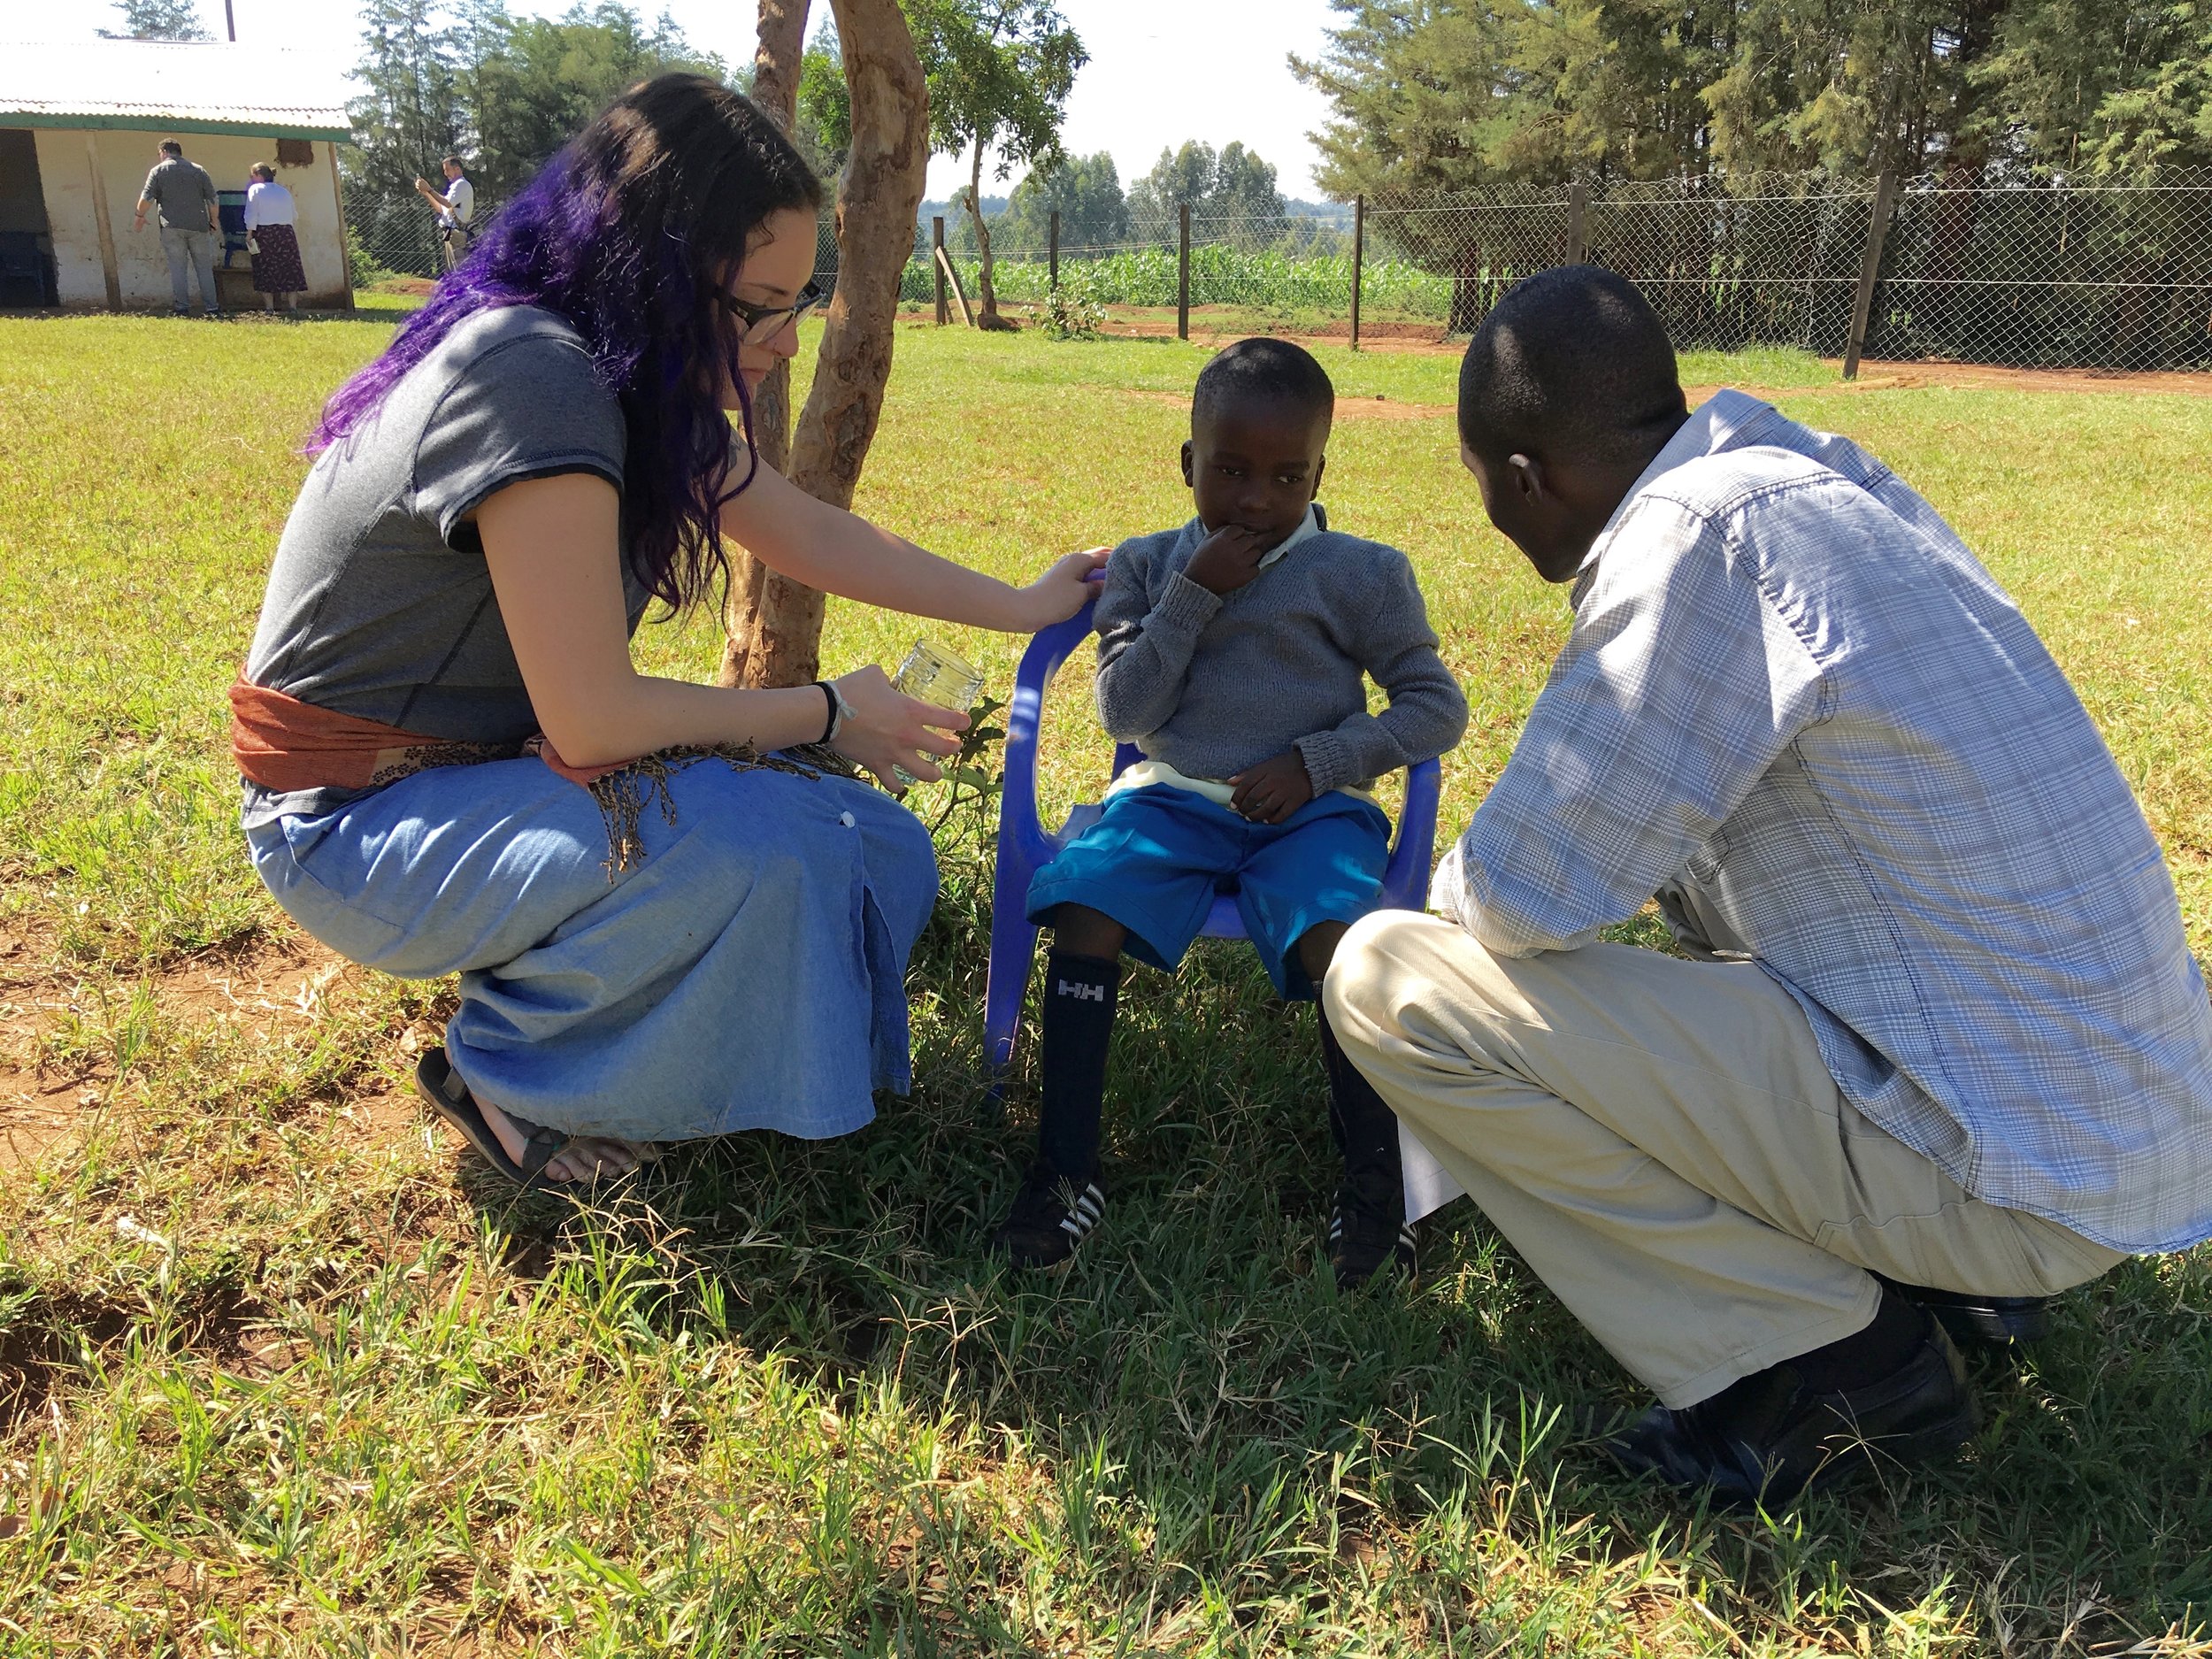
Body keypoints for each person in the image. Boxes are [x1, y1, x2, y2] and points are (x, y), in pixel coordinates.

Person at [1323, 265, 2212, 1506]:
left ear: (1523, 478)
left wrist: (1441, 894)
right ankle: (1938, 1275)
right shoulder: (1819, 478)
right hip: (2115, 1128)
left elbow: (1522, 897)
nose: (1493, 519)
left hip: (2011, 1169)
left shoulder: (1693, 534)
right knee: (1700, 943)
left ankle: (1837, 1358)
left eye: (1483, 490)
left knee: (1388, 979)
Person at [232, 75, 1103, 1189]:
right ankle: (509, 1070)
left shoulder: (631, 383)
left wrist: (1027, 604)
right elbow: (594, 721)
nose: (788, 339)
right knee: (765, 851)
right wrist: (826, 714)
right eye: (765, 305)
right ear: (661, 271)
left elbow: (822, 539)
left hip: (485, 781)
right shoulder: (536, 375)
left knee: (878, 850)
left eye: (803, 299)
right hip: (353, 823)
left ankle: (587, 1002)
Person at [994, 338, 1470, 1286]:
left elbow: (1434, 708)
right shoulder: (1144, 565)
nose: (1256, 498)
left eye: (1286, 476)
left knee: (1342, 943)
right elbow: (1126, 715)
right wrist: (1191, 596)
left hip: (1311, 812)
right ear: (1188, 465)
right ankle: (1064, 1172)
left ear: (1319, 472)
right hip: (1169, 800)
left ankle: (1378, 1191)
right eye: (1231, 471)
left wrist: (1318, 760)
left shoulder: (1362, 573)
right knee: (1084, 907)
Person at [133, 139, 220, 318]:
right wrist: (214, 221)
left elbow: (146, 199)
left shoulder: (158, 171)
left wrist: (139, 216)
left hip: (171, 226)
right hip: (198, 226)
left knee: (178, 268)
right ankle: (212, 308)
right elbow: (212, 200)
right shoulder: (198, 170)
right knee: (204, 268)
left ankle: (182, 308)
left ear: (164, 152)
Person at [243, 164, 304, 312]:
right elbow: (294, 215)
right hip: (286, 232)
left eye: (252, 176)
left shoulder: (255, 189)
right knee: (289, 267)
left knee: (265, 268)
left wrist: (249, 233)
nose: (251, 179)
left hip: (265, 232)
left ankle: (269, 308)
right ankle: (293, 307)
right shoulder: (284, 191)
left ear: (259, 175)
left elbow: (252, 213)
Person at [412, 156, 475, 270]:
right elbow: (440, 209)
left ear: (457, 169)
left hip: (457, 235)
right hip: (450, 235)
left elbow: (447, 203)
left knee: (459, 272)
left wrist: (430, 189)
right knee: (452, 272)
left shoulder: (461, 184)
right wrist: (426, 193)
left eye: (447, 170)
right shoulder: (455, 187)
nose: (445, 174)